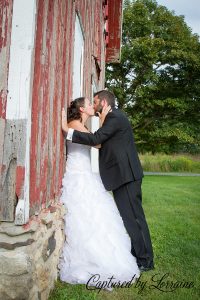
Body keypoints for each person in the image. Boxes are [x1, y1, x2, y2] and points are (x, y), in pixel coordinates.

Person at [62, 90, 154, 272]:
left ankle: (145, 261)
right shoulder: (112, 118)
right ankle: (139, 255)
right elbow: (100, 139)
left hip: (125, 176)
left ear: (103, 103)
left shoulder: (115, 117)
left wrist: (67, 131)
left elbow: (97, 139)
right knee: (130, 219)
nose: (93, 106)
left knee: (134, 218)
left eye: (95, 102)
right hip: (122, 176)